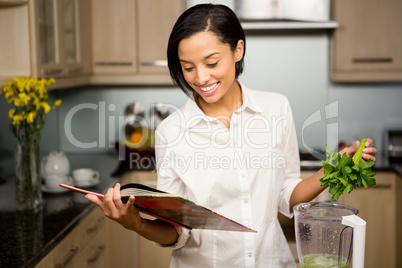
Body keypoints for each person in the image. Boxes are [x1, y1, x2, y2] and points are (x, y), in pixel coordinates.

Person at [86, 4, 377, 267]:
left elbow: (287, 195)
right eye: (188, 68)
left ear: (238, 50)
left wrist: (332, 168)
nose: (200, 78)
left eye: (211, 63)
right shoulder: (171, 131)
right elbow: (178, 230)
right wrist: (135, 222)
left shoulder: (275, 108)